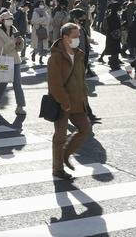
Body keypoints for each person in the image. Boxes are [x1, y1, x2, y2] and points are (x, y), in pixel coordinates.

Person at [47, 23, 92, 180]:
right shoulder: (56, 57)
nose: (78, 39)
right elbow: (54, 84)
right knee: (60, 137)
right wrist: (64, 101)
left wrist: (84, 98)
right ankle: (57, 169)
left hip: (78, 101)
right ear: (65, 37)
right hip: (62, 103)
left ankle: (65, 155)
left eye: (79, 36)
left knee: (85, 129)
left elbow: (81, 79)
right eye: (75, 36)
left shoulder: (78, 54)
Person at [0, 12, 27, 115]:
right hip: (5, 60)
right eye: (8, 19)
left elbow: (19, 48)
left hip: (15, 61)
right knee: (3, 83)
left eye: (11, 18)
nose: (10, 20)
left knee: (17, 84)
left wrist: (20, 42)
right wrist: (13, 41)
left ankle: (20, 106)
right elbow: (1, 49)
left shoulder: (14, 29)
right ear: (2, 20)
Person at [31, 0, 52, 64]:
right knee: (37, 44)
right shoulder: (35, 12)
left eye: (42, 4)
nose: (41, 5)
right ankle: (34, 54)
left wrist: (42, 21)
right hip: (37, 30)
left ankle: (41, 59)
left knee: (44, 46)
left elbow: (48, 21)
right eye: (40, 4)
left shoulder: (46, 12)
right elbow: (34, 21)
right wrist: (43, 20)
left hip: (45, 30)